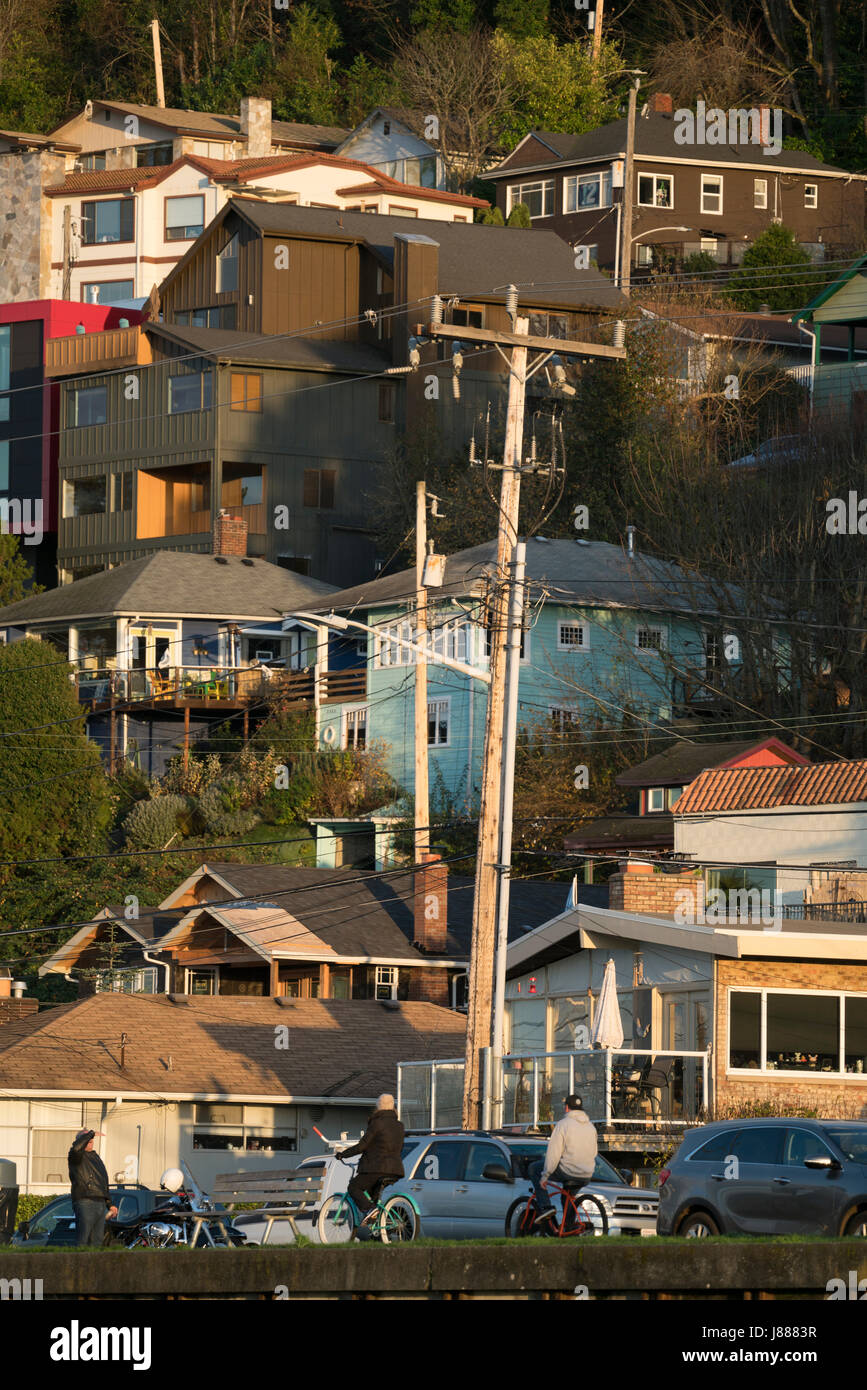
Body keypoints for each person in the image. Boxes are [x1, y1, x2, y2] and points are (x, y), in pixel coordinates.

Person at [338, 1093, 404, 1238]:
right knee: (375, 1199)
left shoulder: (377, 1123)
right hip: (395, 1170)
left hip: (375, 1168)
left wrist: (343, 1154)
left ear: (378, 1106)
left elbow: (362, 1146)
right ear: (393, 1106)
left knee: (354, 1187)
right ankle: (379, 1230)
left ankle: (368, 1210)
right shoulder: (400, 1126)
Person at [529, 1093, 598, 1229]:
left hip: (568, 1171)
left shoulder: (563, 1125)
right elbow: (594, 1152)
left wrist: (545, 1176)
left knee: (534, 1168)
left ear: (567, 1108)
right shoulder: (591, 1127)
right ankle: (568, 1226)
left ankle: (546, 1207)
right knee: (567, 1198)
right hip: (586, 1174)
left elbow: (553, 1153)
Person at [68, 1129, 117, 1247]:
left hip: (100, 1202)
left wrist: (110, 1204)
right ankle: (80, 1264)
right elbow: (76, 1148)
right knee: (83, 1239)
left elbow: (103, 1182)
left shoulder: (96, 1157)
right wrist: (90, 1133)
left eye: (91, 1141)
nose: (90, 1143)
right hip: (85, 1200)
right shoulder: (75, 1156)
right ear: (80, 1141)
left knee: (97, 1240)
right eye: (87, 1141)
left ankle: (93, 1264)